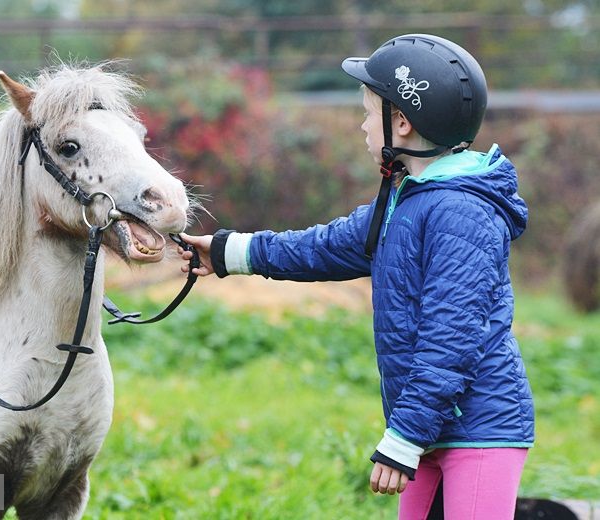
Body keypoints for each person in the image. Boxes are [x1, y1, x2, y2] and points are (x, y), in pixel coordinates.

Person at [178, 34, 534, 519]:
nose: (362, 125)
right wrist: (229, 252)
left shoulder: (460, 212)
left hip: (478, 430)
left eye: (369, 113)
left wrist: (405, 436)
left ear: (402, 124)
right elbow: (325, 247)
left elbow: (450, 336)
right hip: (427, 425)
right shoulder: (407, 197)